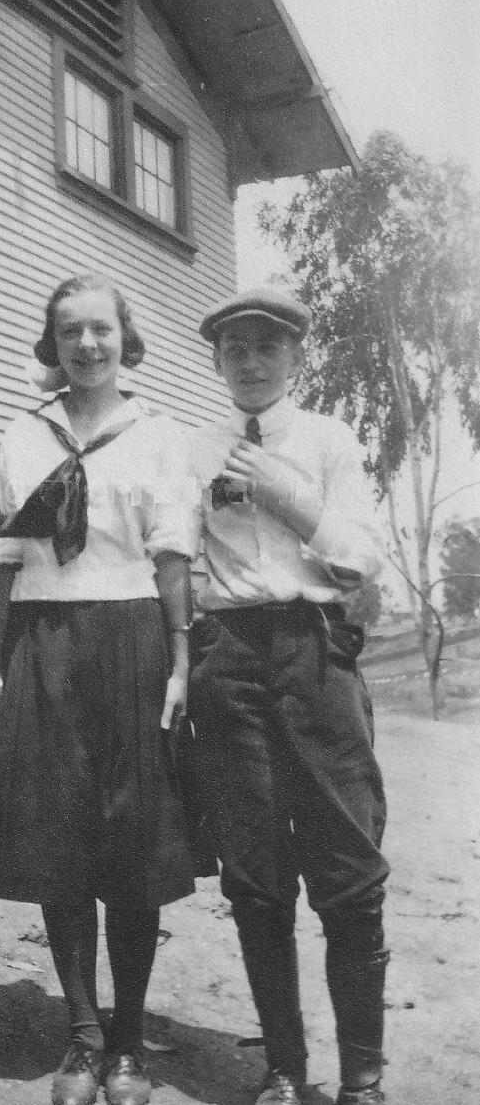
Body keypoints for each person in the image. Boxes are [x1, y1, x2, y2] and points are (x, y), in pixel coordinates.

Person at [0, 272, 198, 1105]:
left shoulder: (158, 432)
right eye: (71, 333)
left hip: (132, 639)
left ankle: (130, 1043)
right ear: (52, 345)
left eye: (101, 330)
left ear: (124, 338)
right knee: (60, 843)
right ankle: (82, 1040)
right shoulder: (21, 434)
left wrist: (178, 661)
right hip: (43, 641)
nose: (88, 345)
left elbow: (172, 556)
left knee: (131, 846)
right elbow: (3, 559)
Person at [186, 286, 390, 1105]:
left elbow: (361, 559)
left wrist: (283, 494)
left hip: (314, 652)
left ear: (296, 358)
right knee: (256, 873)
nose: (250, 362)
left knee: (346, 864)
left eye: (267, 347)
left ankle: (362, 1078)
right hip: (229, 654)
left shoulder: (328, 439)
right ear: (217, 361)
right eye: (235, 349)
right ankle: (282, 1068)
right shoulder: (194, 445)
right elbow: (169, 549)